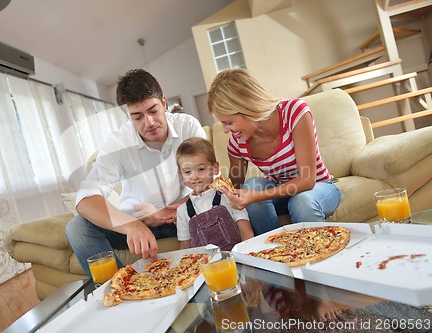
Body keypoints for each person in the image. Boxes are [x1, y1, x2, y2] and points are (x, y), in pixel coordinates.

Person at [66, 69, 207, 277]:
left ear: (164, 102)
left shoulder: (188, 126)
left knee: (214, 205)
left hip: (183, 211)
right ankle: (121, 289)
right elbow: (85, 199)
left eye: (153, 110)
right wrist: (131, 225)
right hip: (138, 219)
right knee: (78, 228)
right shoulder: (118, 143)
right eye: (137, 116)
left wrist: (168, 213)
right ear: (127, 116)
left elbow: (210, 181)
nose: (148, 122)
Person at [207, 68, 341, 235]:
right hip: (280, 191)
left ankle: (316, 254)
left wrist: (257, 196)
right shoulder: (236, 143)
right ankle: (275, 252)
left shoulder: (294, 113)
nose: (226, 131)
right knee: (251, 187)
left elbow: (307, 180)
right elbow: (235, 190)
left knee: (301, 201)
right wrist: (207, 189)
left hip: (318, 187)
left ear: (248, 107)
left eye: (229, 122)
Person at [175, 137, 254, 250]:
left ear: (215, 168)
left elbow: (247, 234)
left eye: (201, 169)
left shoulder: (228, 197)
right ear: (181, 174)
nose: (194, 176)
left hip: (237, 260)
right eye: (187, 172)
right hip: (206, 266)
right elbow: (185, 248)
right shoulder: (182, 211)